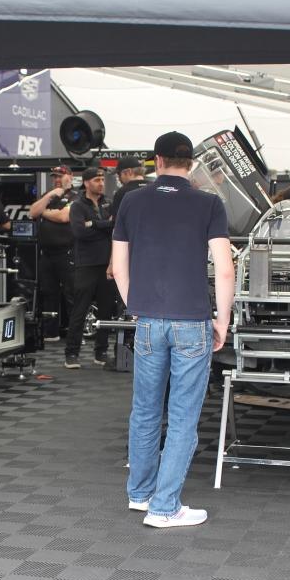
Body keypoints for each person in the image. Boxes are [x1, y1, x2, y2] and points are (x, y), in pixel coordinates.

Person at [112, 131, 234, 529]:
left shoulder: (132, 201)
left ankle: (140, 494)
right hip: (192, 321)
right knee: (182, 416)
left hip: (148, 319)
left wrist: (136, 305)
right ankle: (164, 508)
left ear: (158, 161)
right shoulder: (209, 203)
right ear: (191, 163)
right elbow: (225, 268)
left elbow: (118, 266)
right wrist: (222, 320)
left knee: (145, 410)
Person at [65, 167, 117, 369]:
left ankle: (101, 352)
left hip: (107, 264)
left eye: (102, 179)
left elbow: (115, 228)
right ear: (86, 183)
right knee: (79, 310)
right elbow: (79, 232)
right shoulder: (78, 206)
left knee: (106, 311)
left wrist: (93, 224)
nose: (101, 183)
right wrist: (104, 225)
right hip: (85, 264)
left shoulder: (108, 203)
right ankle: (71, 353)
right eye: (96, 180)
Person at [30, 165, 76, 342]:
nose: (57, 179)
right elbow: (32, 212)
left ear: (70, 176)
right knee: (49, 293)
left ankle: (75, 334)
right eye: (55, 177)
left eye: (60, 176)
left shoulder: (77, 196)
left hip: (68, 252)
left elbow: (64, 217)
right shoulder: (47, 196)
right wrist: (49, 197)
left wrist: (44, 212)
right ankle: (51, 332)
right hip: (47, 254)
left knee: (71, 294)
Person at [110, 157, 147, 221]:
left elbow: (116, 222)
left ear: (129, 171)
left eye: (119, 174)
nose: (118, 178)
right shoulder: (155, 187)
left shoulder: (122, 192)